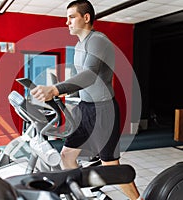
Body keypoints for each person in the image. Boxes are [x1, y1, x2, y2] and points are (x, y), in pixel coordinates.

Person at [31, 0, 142, 199]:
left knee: (110, 164)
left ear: (86, 17)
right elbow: (81, 81)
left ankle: (138, 199)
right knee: (67, 155)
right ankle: (83, 194)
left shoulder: (98, 40)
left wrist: (56, 89)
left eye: (71, 17)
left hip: (104, 110)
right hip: (86, 109)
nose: (67, 22)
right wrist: (63, 92)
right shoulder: (79, 45)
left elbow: (90, 75)